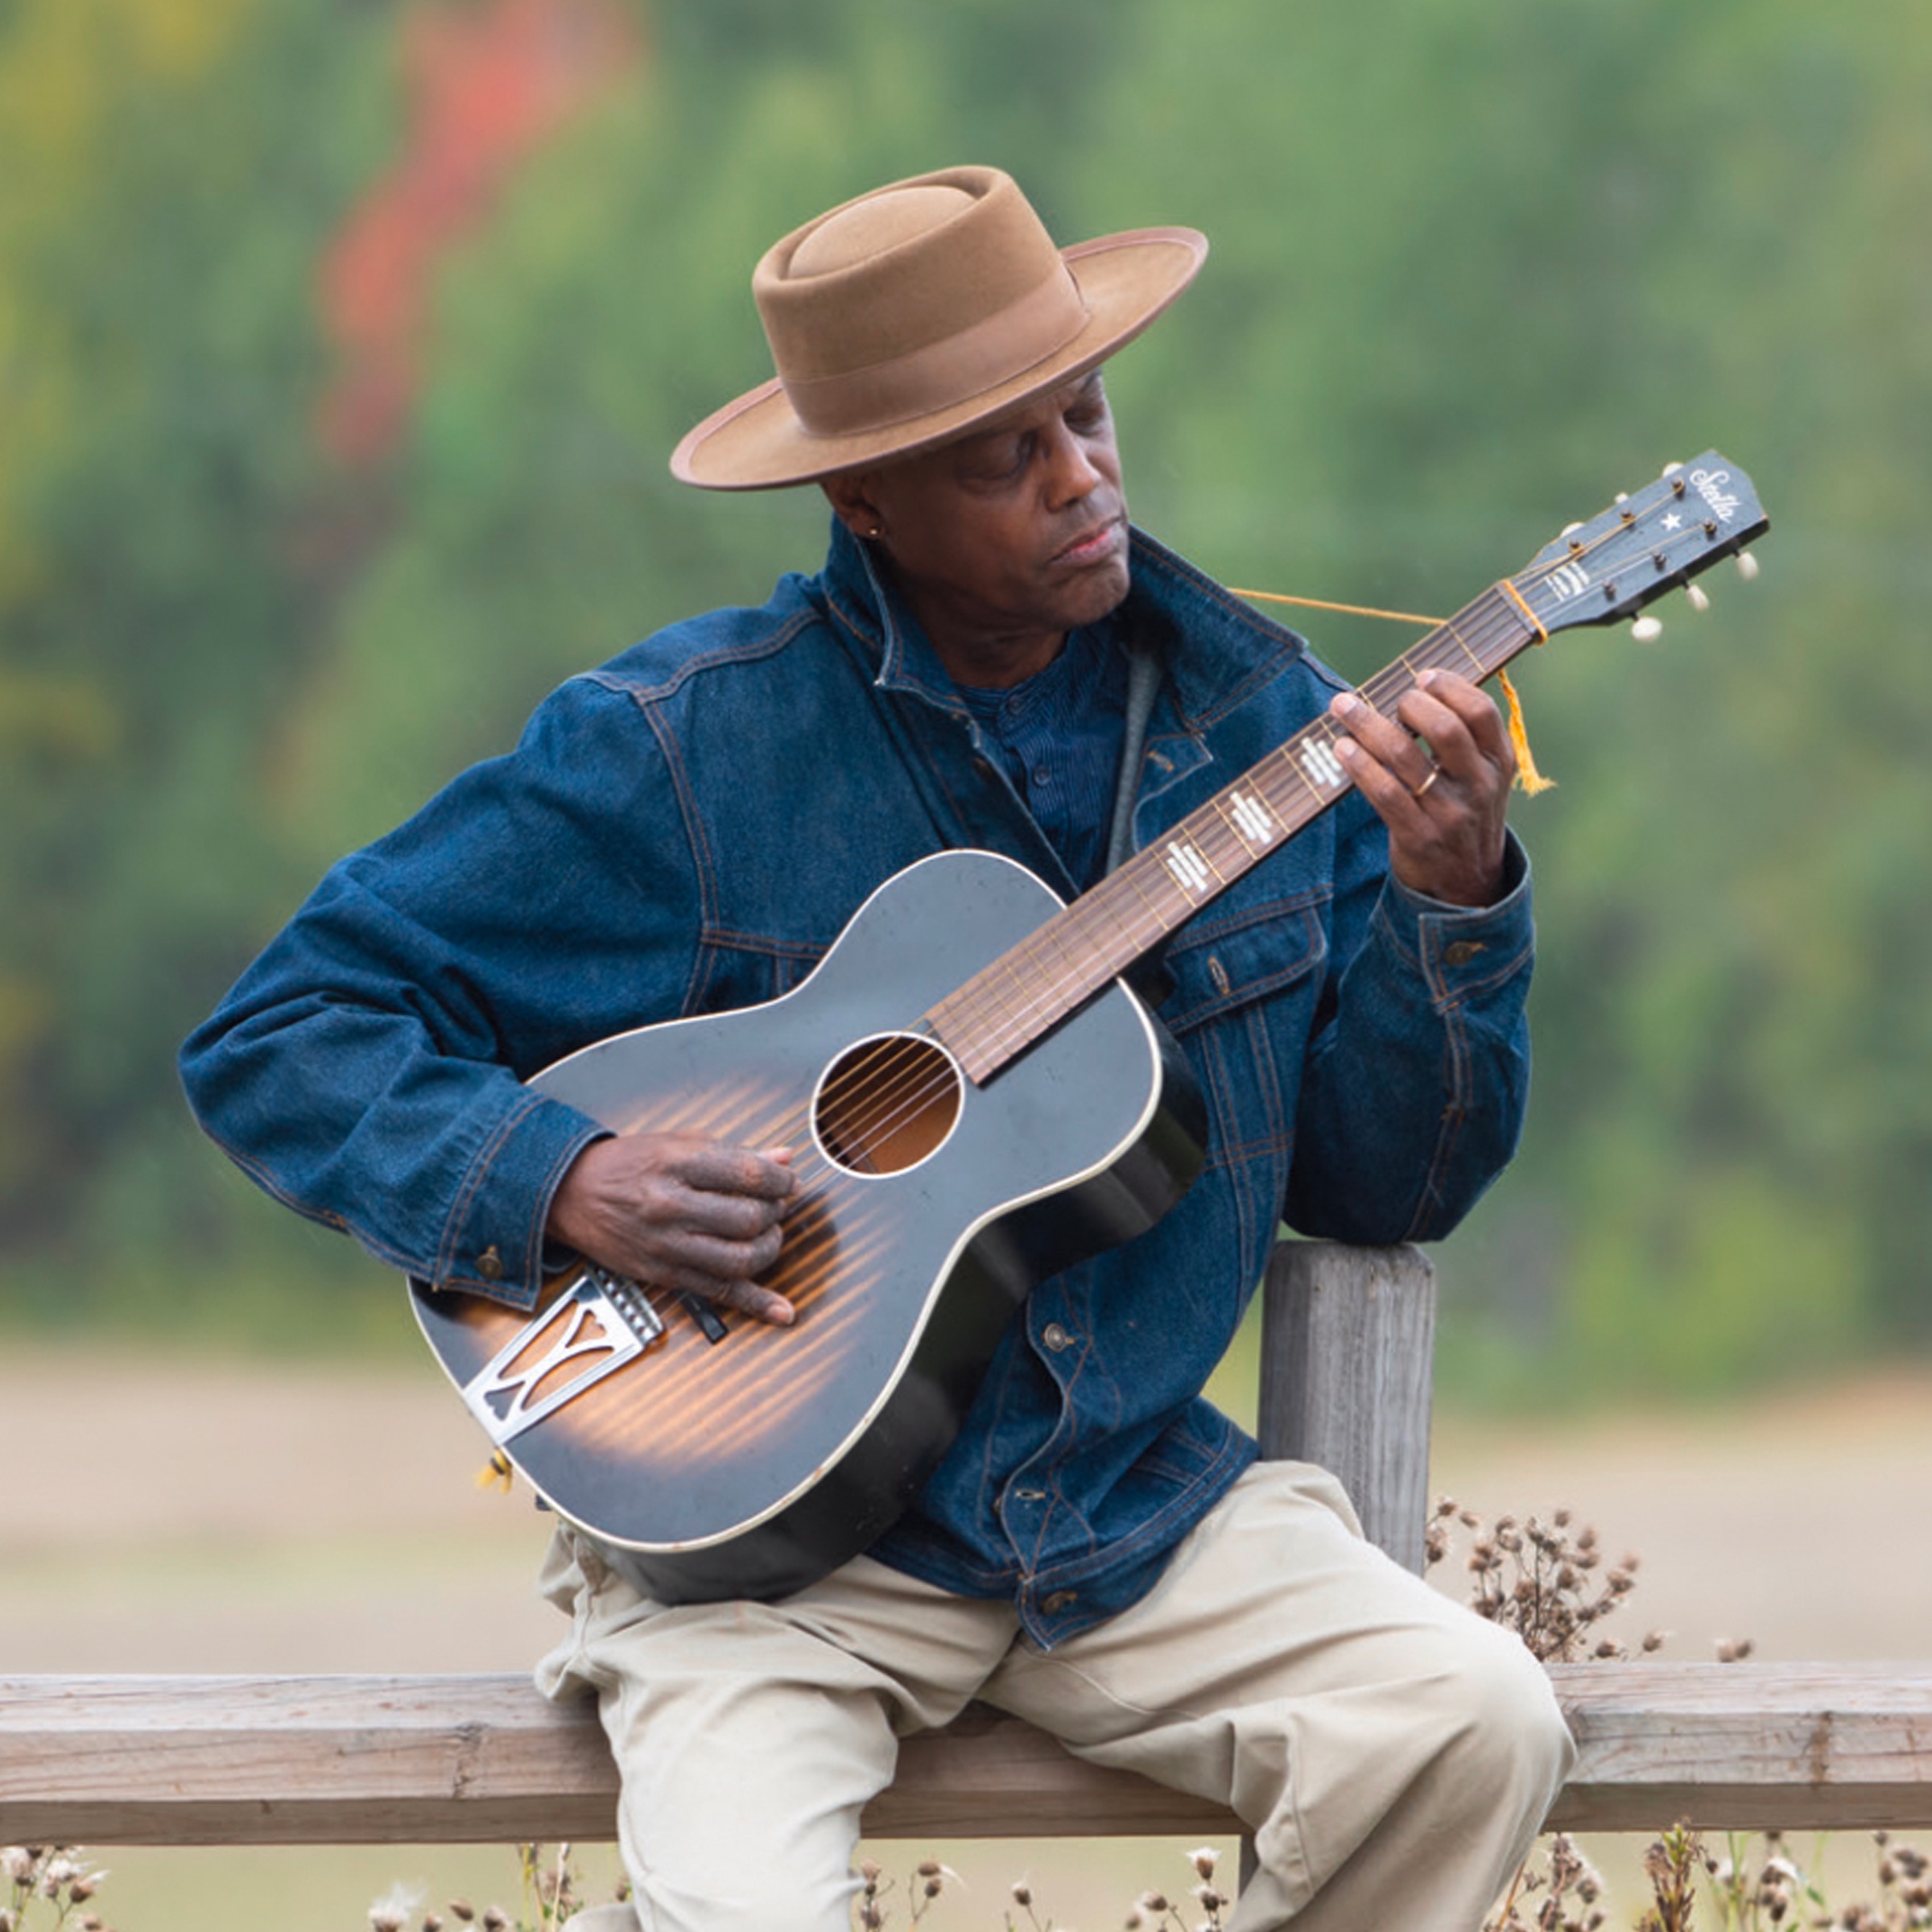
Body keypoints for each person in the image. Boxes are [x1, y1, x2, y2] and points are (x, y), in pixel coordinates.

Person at [181, 165, 1573, 1930]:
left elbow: (1396, 1180)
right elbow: (282, 1029)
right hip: (761, 1567)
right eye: (1007, 457)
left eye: (1086, 413)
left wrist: (1459, 896)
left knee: (1473, 1725)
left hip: (1125, 1508)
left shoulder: (1270, 734)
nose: (1083, 475)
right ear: (866, 497)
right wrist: (565, 1180)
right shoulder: (686, 747)